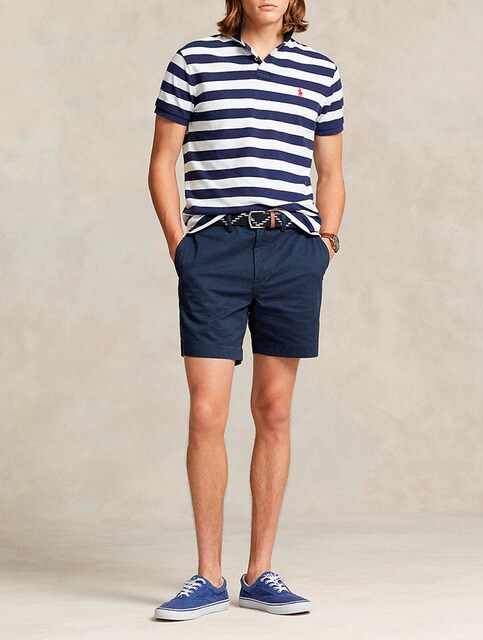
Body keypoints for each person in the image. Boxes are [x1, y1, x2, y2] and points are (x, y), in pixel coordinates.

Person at [148, 0, 345, 621]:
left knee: (274, 410)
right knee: (207, 411)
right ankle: (207, 576)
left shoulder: (321, 71)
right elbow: (162, 161)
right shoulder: (193, 61)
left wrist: (325, 244)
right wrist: (181, 246)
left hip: (292, 250)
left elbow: (331, 171)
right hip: (215, 250)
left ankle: (260, 573)